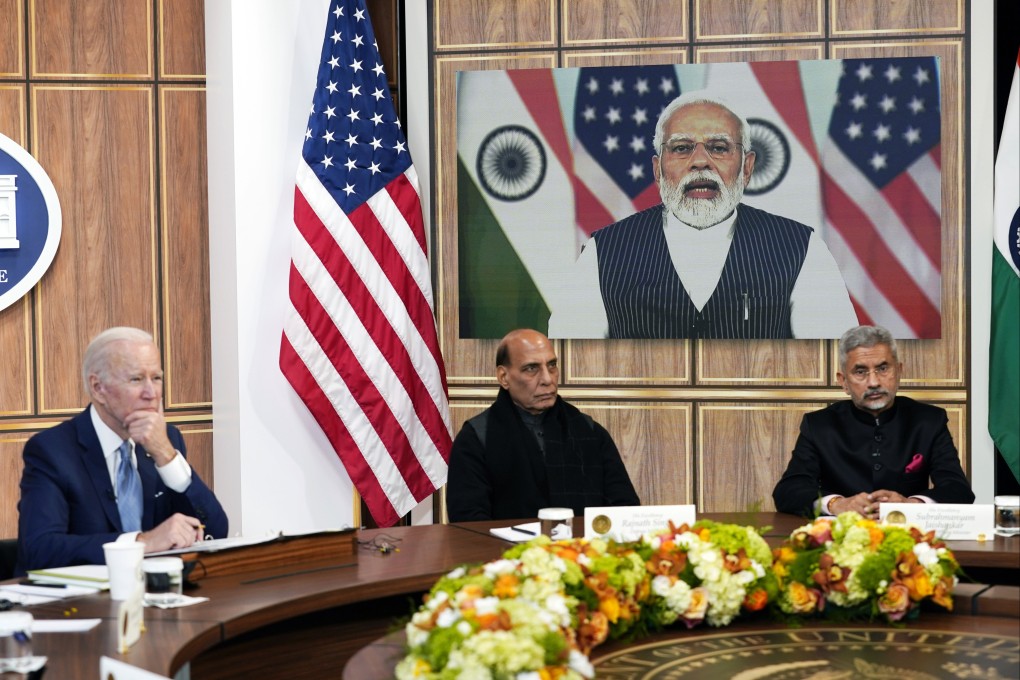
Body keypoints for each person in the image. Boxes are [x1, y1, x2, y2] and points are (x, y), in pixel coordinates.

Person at [548, 91, 856, 339]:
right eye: (682, 148)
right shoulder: (605, 251)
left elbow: (830, 371)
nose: (700, 162)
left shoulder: (800, 247)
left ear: (747, 168)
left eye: (719, 147)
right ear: (657, 169)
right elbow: (572, 372)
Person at [16, 327, 228, 574]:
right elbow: (40, 549)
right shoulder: (52, 451)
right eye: (136, 379)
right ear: (98, 388)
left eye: (156, 378)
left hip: (155, 598)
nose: (152, 394)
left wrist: (167, 457)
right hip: (77, 605)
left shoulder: (167, 440)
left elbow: (215, 531)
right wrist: (142, 542)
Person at [772, 325, 974, 519]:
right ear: (843, 381)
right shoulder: (819, 425)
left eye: (883, 368)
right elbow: (788, 491)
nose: (874, 382)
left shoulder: (929, 420)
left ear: (899, 371)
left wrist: (911, 505)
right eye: (860, 372)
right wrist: (837, 504)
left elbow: (958, 490)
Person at [446, 329, 639, 521]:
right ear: (504, 377)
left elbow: (625, 510)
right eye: (531, 368)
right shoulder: (476, 438)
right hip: (505, 551)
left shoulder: (590, 432)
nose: (548, 379)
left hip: (584, 549)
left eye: (552, 365)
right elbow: (467, 523)